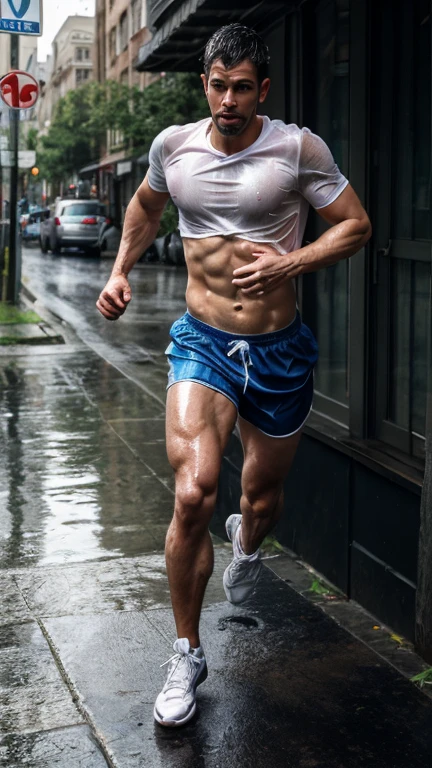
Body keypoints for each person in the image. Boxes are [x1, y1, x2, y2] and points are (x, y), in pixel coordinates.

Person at [96, 23, 371, 728]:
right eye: (218, 86)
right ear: (204, 85)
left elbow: (355, 225)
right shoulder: (172, 147)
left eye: (242, 88)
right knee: (193, 492)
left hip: (279, 350)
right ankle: (186, 653)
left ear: (262, 89)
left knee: (261, 497)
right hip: (204, 342)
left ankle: (247, 543)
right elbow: (146, 206)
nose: (228, 101)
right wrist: (120, 270)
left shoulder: (297, 149)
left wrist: (290, 261)